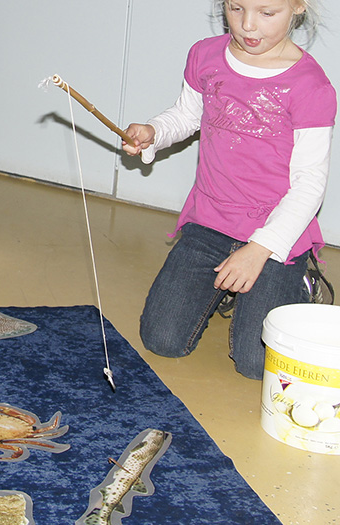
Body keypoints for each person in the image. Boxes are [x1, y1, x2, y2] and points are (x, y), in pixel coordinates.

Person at [122, 0, 335, 379]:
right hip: (210, 222)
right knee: (162, 339)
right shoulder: (205, 55)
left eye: (267, 13)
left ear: (298, 7)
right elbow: (186, 116)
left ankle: (299, 281)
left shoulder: (312, 86)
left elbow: (310, 183)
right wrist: (155, 131)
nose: (248, 26)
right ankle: (225, 288)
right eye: (236, 9)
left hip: (275, 237)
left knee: (257, 365)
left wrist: (258, 249)